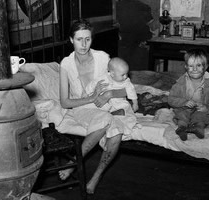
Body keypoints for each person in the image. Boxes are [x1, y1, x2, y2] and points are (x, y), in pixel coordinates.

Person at [59, 19, 128, 194]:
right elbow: (65, 102)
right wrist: (92, 97)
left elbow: (125, 90)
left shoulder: (103, 58)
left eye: (87, 39)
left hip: (107, 106)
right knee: (107, 120)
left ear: (92, 39)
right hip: (82, 109)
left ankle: (96, 177)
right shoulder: (65, 65)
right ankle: (74, 162)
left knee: (117, 132)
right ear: (70, 40)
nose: (83, 44)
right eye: (79, 39)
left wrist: (110, 94)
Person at [168, 49, 209, 141]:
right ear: (186, 67)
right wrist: (184, 102)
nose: (195, 69)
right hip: (184, 108)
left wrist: (207, 108)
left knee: (202, 116)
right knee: (181, 114)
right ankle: (182, 128)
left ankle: (199, 128)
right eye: (191, 66)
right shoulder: (180, 83)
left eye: (199, 65)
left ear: (205, 67)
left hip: (201, 109)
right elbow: (171, 99)